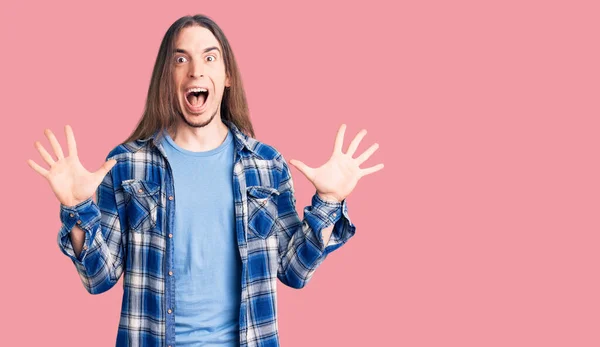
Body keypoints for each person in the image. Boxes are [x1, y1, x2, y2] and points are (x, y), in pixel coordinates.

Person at [27, 14, 384, 347]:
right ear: (167, 76)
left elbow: (293, 271)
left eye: (209, 58)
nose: (196, 70)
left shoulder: (266, 165)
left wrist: (328, 202)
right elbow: (98, 278)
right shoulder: (126, 164)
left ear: (227, 76)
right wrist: (76, 208)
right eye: (181, 59)